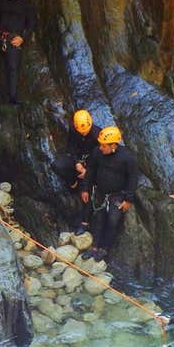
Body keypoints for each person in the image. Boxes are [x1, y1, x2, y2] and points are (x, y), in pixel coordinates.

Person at [80, 126, 138, 261]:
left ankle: (104, 248)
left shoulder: (127, 158)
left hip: (117, 195)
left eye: (104, 146)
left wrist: (128, 199)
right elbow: (91, 171)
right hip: (100, 192)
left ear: (113, 145)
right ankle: (94, 246)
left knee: (112, 221)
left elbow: (133, 178)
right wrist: (85, 189)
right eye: (100, 145)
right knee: (98, 219)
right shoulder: (97, 153)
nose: (101, 148)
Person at [50, 109, 101, 235]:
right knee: (57, 165)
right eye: (80, 131)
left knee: (86, 193)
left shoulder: (97, 135)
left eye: (85, 131)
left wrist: (88, 172)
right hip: (79, 162)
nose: (83, 133)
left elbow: (102, 159)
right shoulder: (74, 130)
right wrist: (77, 162)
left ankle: (85, 222)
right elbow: (71, 147)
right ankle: (73, 182)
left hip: (93, 167)